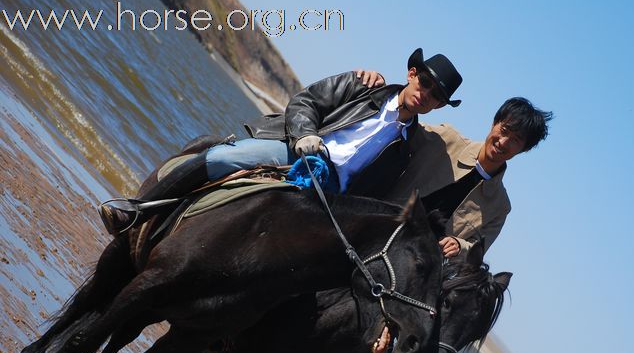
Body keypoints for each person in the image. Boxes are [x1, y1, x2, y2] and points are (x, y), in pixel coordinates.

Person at [99, 48, 463, 235]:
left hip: (330, 197)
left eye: (436, 96)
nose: (426, 95)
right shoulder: (362, 85)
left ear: (440, 105)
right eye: (425, 84)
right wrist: (305, 134)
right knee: (223, 158)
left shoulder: (407, 146)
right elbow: (306, 101)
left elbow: (375, 191)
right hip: (296, 150)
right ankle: (137, 209)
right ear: (412, 74)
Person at [384, 97, 553, 258]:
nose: (503, 142)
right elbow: (398, 127)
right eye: (504, 131)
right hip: (379, 226)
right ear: (494, 123)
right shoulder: (446, 139)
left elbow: (477, 251)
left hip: (415, 266)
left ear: (524, 149)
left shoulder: (500, 206)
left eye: (515, 140)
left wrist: (459, 246)